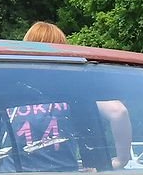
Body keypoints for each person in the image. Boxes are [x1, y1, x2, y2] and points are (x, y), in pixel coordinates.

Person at [19, 21, 133, 167]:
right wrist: (121, 160)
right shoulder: (72, 91)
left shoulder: (9, 89)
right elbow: (118, 112)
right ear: (60, 53)